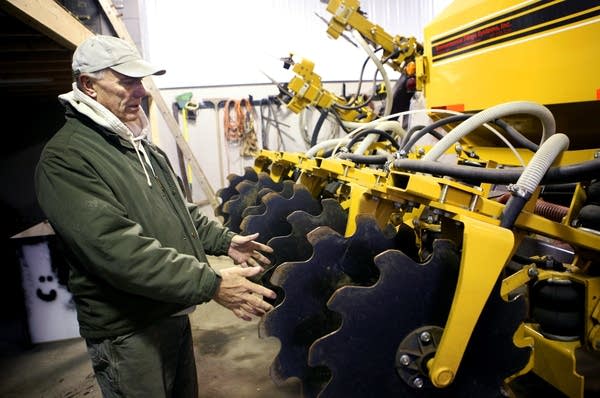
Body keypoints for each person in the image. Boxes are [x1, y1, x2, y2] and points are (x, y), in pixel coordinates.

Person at [34, 34, 277, 397]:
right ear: (88, 85)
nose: (142, 91)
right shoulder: (68, 158)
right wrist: (212, 284)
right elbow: (118, 252)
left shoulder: (136, 145)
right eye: (127, 81)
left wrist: (226, 242)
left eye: (142, 81)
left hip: (169, 310)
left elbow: (180, 213)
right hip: (128, 330)